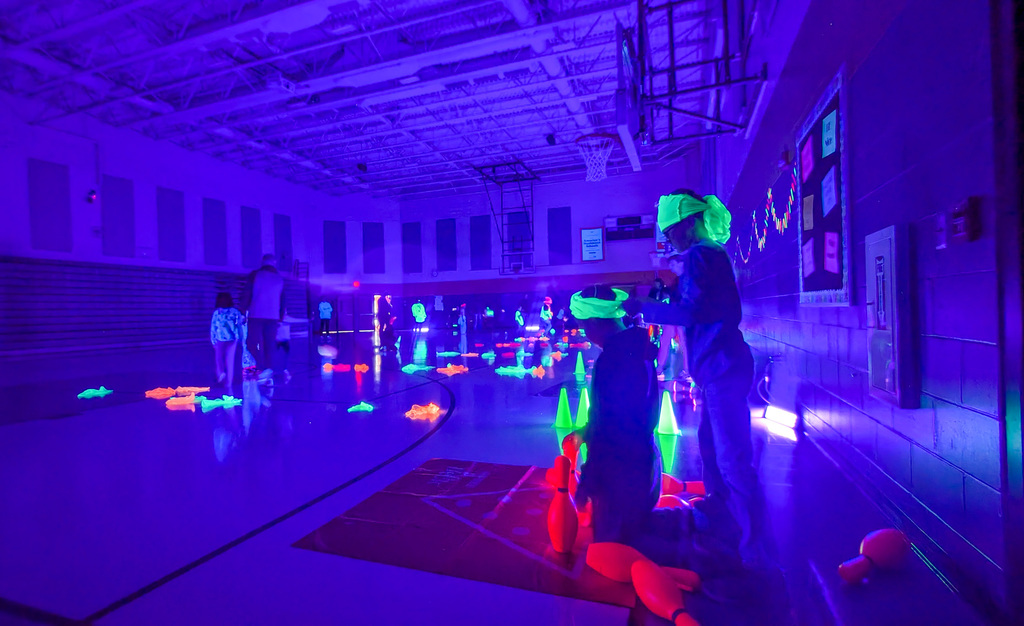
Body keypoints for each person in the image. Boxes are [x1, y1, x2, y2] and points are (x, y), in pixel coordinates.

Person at [629, 189, 772, 573]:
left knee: (731, 459)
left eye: (672, 230)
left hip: (722, 368)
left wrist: (642, 307)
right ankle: (724, 521)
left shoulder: (700, 255)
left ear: (690, 222)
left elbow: (692, 312)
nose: (669, 239)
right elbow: (701, 307)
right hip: (720, 368)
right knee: (711, 449)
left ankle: (755, 552)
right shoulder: (709, 253)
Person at [570, 285, 662, 546]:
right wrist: (586, 431)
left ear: (594, 322)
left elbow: (609, 429)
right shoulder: (637, 347)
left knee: (612, 552)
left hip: (620, 478)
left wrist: (588, 481)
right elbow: (627, 413)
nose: (586, 335)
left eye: (584, 327)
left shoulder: (614, 360)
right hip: (642, 463)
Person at [241, 253, 285, 382]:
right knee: (270, 344)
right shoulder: (279, 279)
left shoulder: (255, 275)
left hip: (256, 314)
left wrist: (242, 311)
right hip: (273, 317)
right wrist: (281, 317)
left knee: (252, 343)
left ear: (262, 262)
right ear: (274, 263)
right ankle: (268, 369)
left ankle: (262, 366)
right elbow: (283, 300)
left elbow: (246, 293)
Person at [210, 292, 245, 388]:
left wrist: (213, 340)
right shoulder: (235, 312)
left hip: (219, 338)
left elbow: (213, 327)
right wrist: (241, 339)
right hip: (232, 339)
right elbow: (239, 327)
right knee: (230, 361)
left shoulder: (217, 312)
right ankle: (229, 383)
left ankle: (221, 373)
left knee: (218, 358)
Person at [275, 311, 308, 384]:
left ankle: (284, 368)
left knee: (286, 355)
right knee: (275, 355)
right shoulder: (276, 320)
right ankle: (275, 368)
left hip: (285, 341)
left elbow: (297, 321)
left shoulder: (287, 319)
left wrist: (308, 320)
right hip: (277, 340)